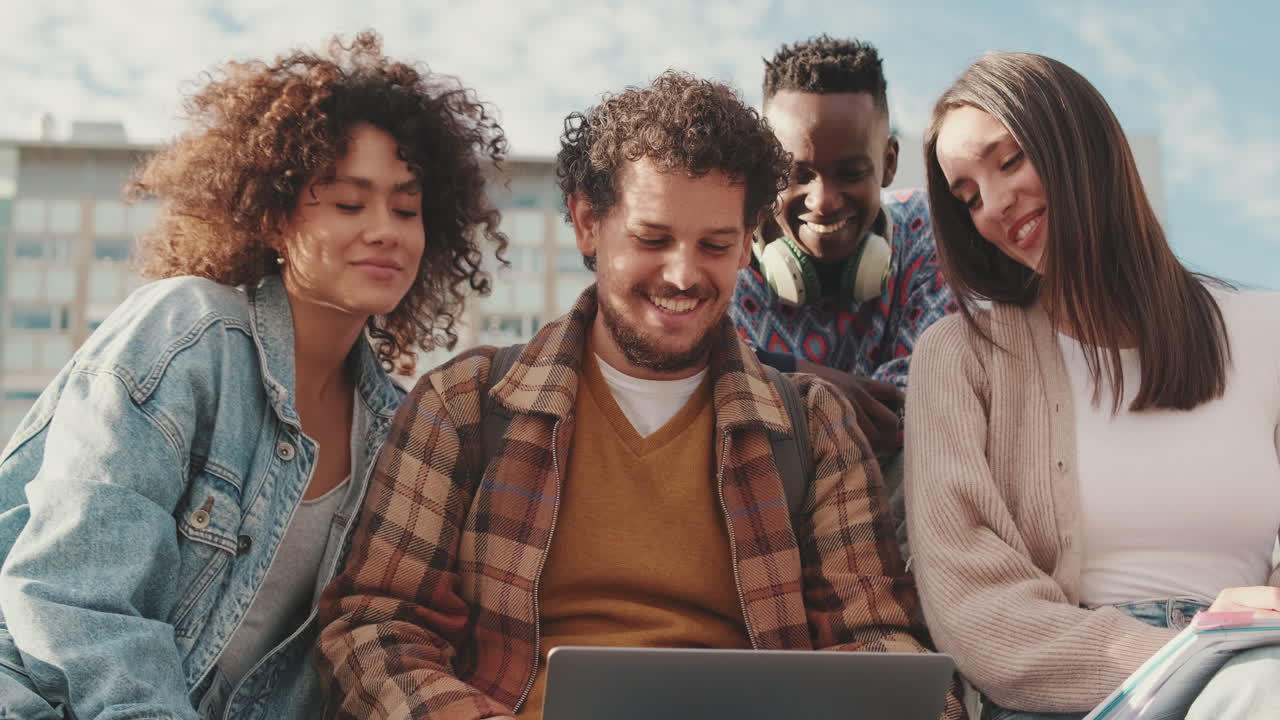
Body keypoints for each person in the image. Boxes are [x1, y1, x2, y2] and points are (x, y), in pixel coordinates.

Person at [316, 70, 965, 720]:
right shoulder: (462, 404)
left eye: (714, 245)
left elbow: (877, 639)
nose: (683, 275)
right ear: (587, 224)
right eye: (652, 240)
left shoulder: (815, 430)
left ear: (746, 246)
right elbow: (374, 628)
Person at [0, 32, 507, 720]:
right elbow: (75, 597)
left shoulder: (395, 430)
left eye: (407, 208)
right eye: (349, 204)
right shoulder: (188, 334)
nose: (386, 229)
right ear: (273, 218)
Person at [906, 50, 1280, 720]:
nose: (993, 206)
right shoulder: (961, 357)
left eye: (1009, 160)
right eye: (967, 197)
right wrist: (1189, 656)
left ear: (1079, 138)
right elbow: (973, 607)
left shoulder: (1267, 329)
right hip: (1075, 694)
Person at [730, 36, 956, 547]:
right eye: (796, 174)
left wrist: (768, 380)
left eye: (851, 173)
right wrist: (810, 377)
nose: (824, 200)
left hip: (897, 519)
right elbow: (696, 377)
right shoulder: (724, 251)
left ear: (890, 162)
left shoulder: (928, 233)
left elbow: (914, 408)